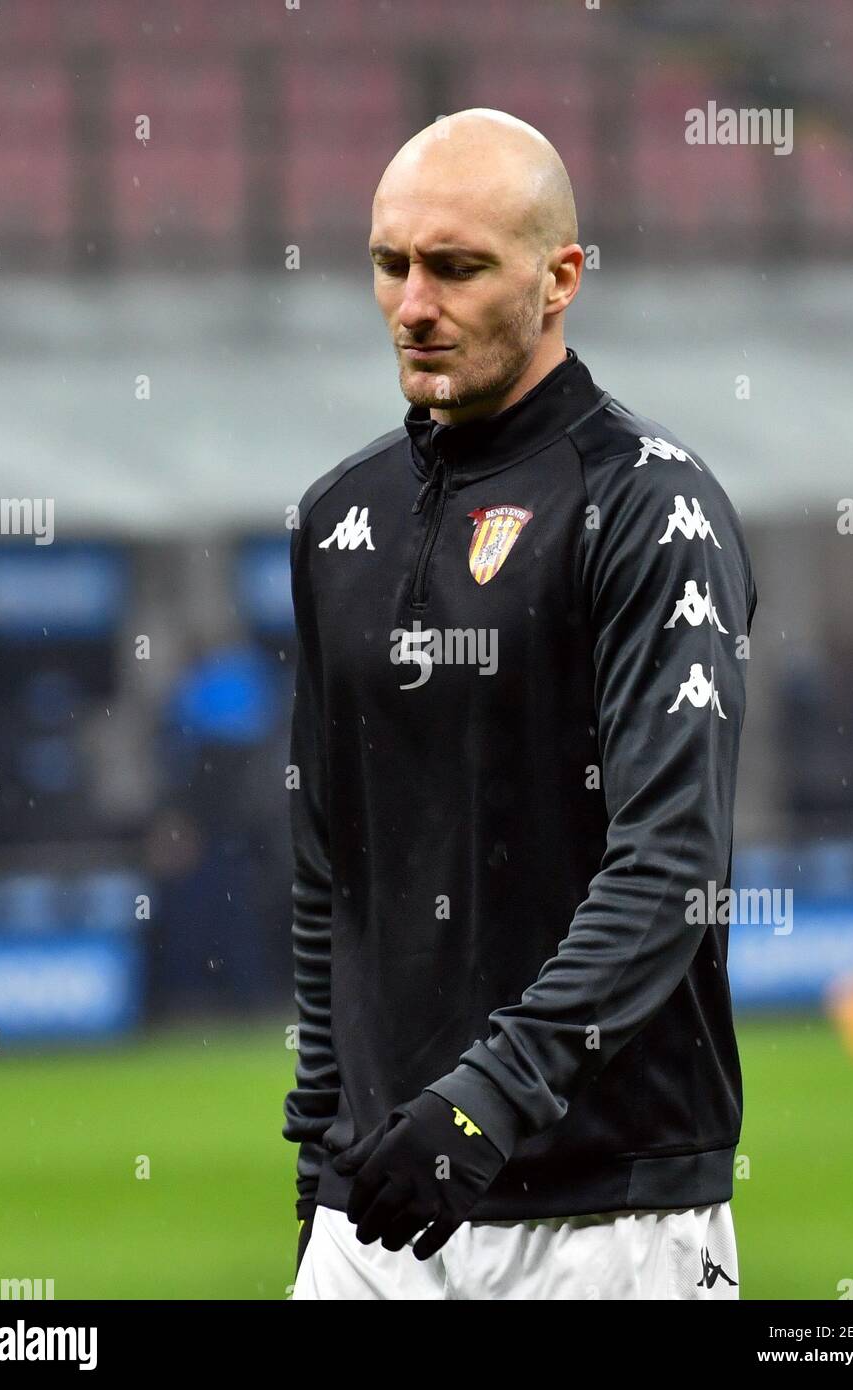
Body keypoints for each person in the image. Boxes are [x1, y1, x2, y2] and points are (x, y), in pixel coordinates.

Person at [283, 108, 758, 1299]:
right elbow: (328, 867)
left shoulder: (654, 510)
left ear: (560, 278)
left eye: (456, 267)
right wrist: (315, 1165)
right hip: (377, 1213)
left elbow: (672, 862)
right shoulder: (336, 518)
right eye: (391, 264)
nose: (412, 304)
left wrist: (487, 1102)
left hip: (609, 1215)